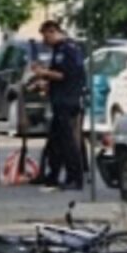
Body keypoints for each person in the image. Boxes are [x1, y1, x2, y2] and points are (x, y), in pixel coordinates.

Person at [29, 20, 86, 191]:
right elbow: (57, 77)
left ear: (53, 31)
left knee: (67, 142)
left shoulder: (67, 49)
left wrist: (43, 72)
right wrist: (44, 83)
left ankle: (74, 177)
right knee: (55, 141)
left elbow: (64, 75)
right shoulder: (59, 49)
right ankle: (52, 175)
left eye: (46, 36)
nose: (45, 41)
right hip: (60, 100)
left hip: (67, 101)